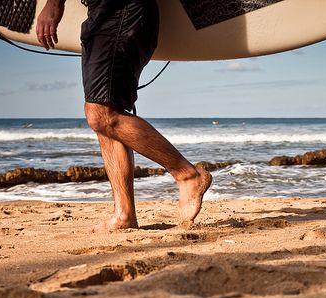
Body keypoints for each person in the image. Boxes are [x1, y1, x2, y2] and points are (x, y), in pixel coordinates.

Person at [36, 0, 212, 231]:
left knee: (101, 114)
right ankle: (124, 214)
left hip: (121, 9)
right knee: (106, 113)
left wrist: (54, 3)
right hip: (106, 13)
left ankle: (187, 174)